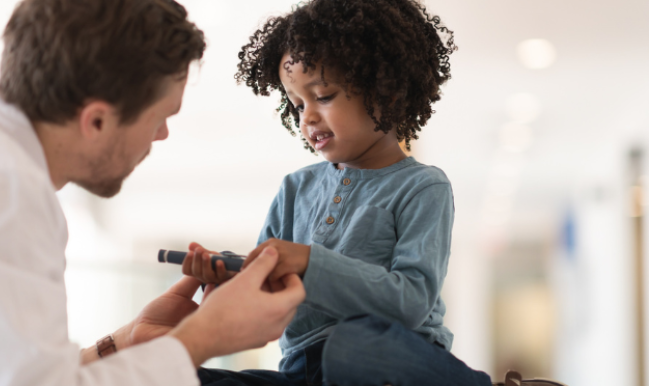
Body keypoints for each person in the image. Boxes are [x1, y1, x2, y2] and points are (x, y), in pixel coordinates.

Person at [0, 0, 305, 385]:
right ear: (96, 121)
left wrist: (126, 341)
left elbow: (16, 371)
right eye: (161, 117)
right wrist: (206, 336)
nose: (162, 135)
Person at [182, 0, 492, 385]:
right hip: (303, 371)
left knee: (353, 343)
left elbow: (411, 302)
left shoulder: (422, 187)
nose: (307, 117)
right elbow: (269, 293)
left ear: (386, 92)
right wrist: (233, 275)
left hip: (387, 359)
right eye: (297, 104)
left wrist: (310, 262)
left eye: (323, 96)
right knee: (180, 376)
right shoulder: (295, 188)